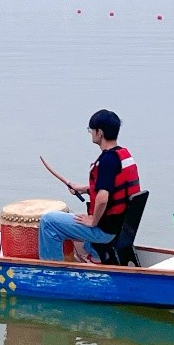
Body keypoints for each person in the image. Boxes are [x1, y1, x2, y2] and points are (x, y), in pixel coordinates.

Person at [37, 109, 140, 263]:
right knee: (75, 217)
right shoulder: (123, 155)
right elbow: (112, 190)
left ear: (100, 132)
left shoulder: (107, 161)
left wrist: (93, 221)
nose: (91, 133)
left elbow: (103, 199)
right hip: (119, 227)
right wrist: (83, 189)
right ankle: (95, 254)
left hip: (105, 231)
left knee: (48, 221)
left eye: (91, 130)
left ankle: (51, 269)